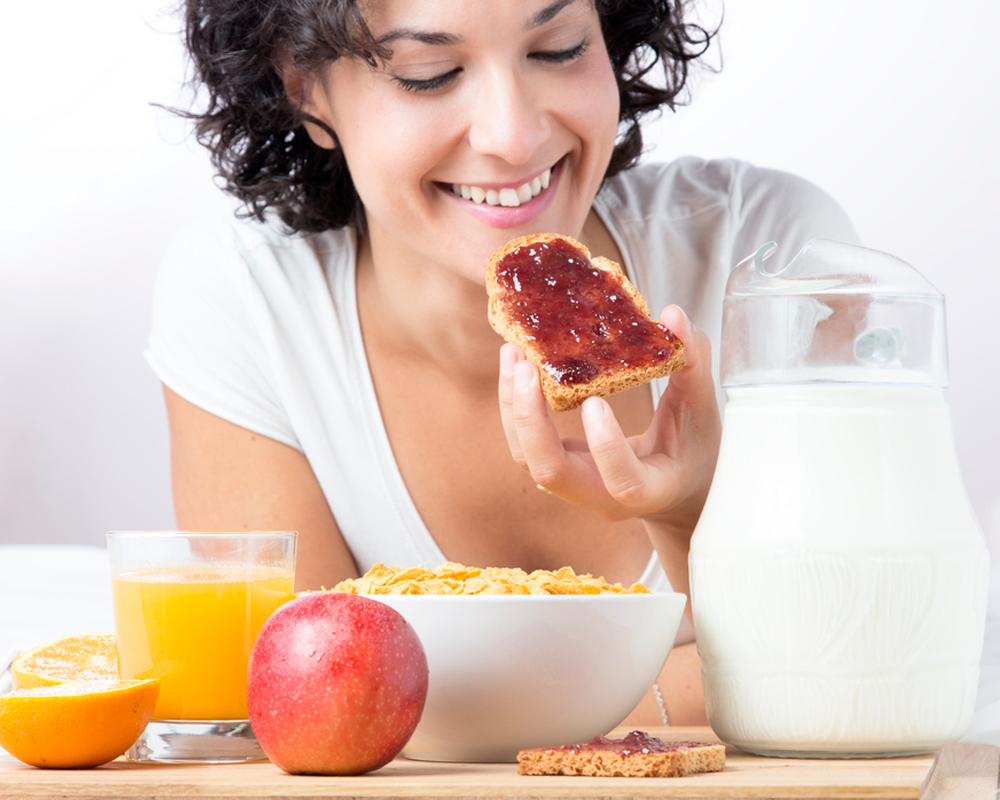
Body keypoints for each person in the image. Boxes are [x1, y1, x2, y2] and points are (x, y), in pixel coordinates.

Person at [149, 0, 859, 726]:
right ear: (304, 85)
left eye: (558, 50)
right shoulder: (248, 304)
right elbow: (314, 707)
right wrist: (671, 693)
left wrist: (685, 516)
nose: (513, 138)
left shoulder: (773, 259)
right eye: (429, 74)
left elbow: (854, 666)